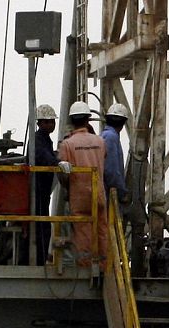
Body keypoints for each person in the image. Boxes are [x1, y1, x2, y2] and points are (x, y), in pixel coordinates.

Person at [57, 100, 107, 266]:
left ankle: (86, 265)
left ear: (71, 121)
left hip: (79, 196)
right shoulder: (100, 141)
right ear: (88, 120)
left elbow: (63, 174)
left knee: (83, 232)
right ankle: (104, 264)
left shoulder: (67, 144)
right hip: (99, 193)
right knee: (102, 228)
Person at [33, 104, 60, 264]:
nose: (51, 125)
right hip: (38, 189)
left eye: (52, 121)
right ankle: (39, 259)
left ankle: (41, 258)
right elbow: (46, 159)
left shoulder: (45, 139)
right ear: (40, 123)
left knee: (43, 226)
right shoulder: (38, 140)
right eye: (47, 122)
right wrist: (58, 160)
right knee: (41, 227)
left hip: (43, 190)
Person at [101, 103, 130, 205]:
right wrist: (122, 192)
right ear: (123, 122)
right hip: (109, 194)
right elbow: (111, 170)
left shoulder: (104, 135)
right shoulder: (111, 137)